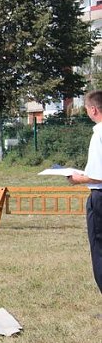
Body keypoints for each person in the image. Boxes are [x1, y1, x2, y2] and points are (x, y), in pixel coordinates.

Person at [68, 89, 102, 294]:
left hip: (100, 197)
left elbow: (98, 175)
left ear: (93, 109)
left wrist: (77, 179)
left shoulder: (99, 133)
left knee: (99, 250)